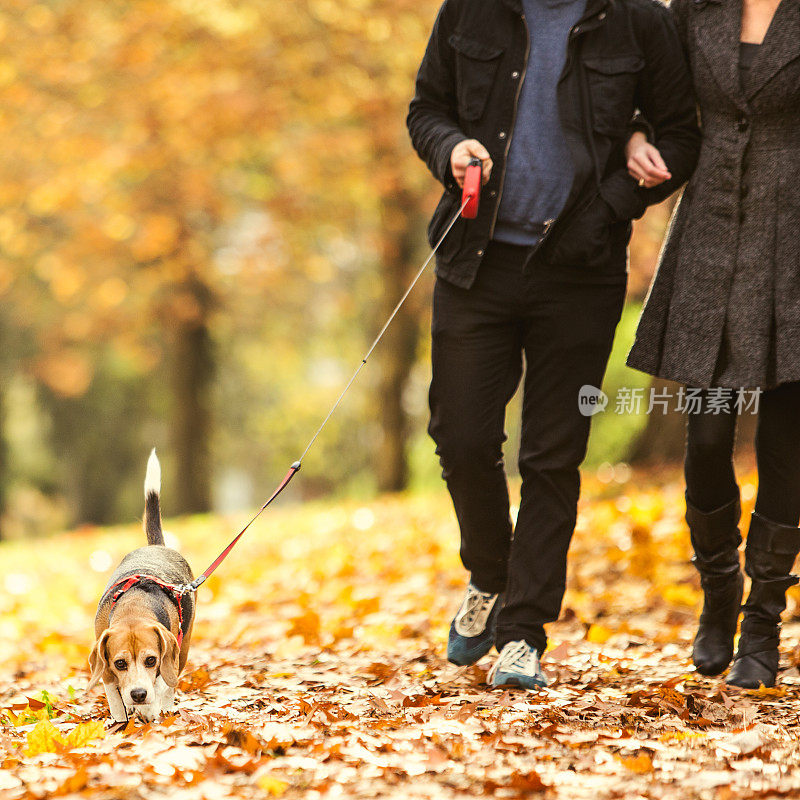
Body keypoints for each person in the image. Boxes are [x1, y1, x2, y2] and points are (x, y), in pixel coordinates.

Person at [407, 0, 700, 688]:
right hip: (476, 264)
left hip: (581, 270)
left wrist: (622, 198)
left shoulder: (638, 21)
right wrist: (449, 148)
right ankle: (490, 570)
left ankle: (523, 634)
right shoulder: (471, 11)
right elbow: (427, 108)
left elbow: (683, 133)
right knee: (462, 437)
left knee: (552, 455)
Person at [626, 0, 800, 688]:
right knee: (705, 440)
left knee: (786, 444)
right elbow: (655, 97)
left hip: (793, 240)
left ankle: (763, 620)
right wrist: (638, 134)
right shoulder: (693, 10)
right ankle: (719, 589)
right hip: (709, 234)